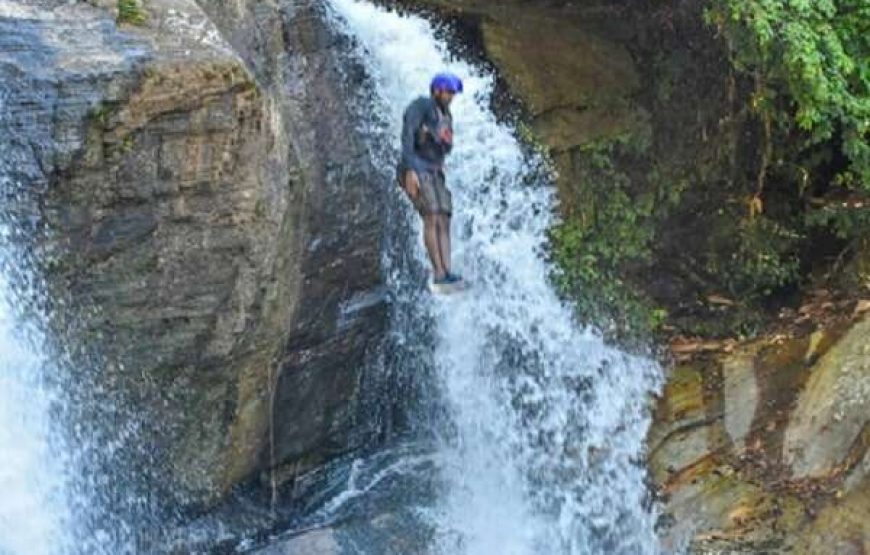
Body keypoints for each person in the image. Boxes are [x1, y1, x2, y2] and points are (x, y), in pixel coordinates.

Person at [396, 72, 463, 286]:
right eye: (448, 92)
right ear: (436, 91)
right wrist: (410, 171)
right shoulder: (420, 106)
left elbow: (446, 147)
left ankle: (448, 271)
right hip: (416, 168)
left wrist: (438, 139)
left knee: (444, 217)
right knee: (431, 215)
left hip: (434, 170)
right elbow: (407, 137)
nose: (451, 97)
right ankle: (438, 273)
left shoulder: (446, 115)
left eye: (453, 93)